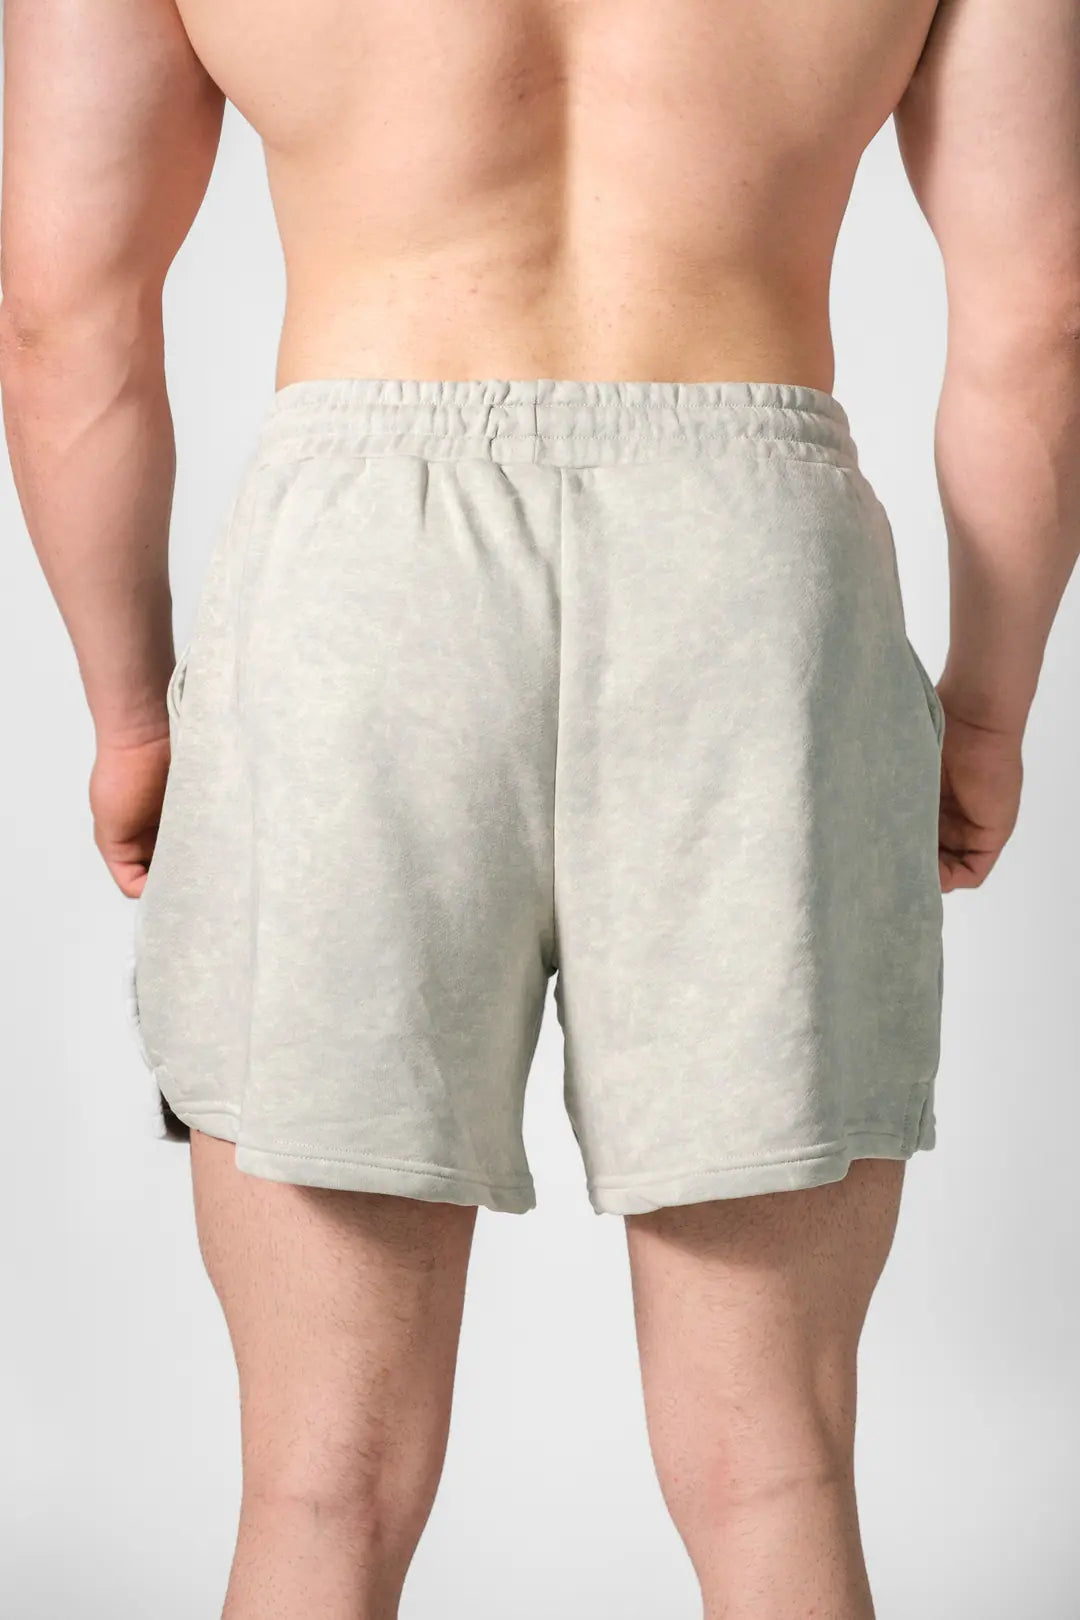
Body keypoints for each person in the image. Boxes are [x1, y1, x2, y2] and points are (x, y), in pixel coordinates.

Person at [2, 1, 1078, 1614]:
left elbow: (58, 314)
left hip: (363, 586)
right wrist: (986, 706)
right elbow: (1045, 314)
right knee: (775, 1466)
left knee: (318, 1484)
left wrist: (129, 710)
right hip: (753, 564)